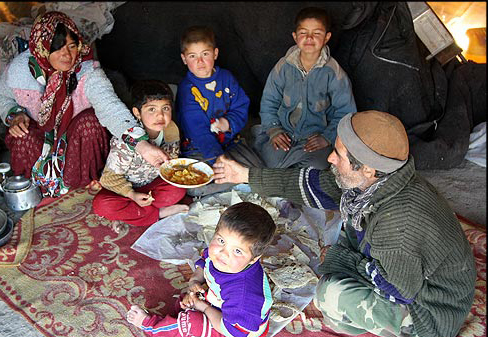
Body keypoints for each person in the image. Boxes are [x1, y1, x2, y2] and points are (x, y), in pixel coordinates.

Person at [212, 110, 476, 337]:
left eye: (338, 154)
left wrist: (340, 259)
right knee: (342, 239)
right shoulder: (376, 184)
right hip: (404, 268)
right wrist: (245, 175)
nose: (329, 158)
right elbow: (313, 186)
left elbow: (399, 290)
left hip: (430, 309)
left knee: (329, 296)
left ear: (368, 169)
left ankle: (405, 329)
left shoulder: (398, 222)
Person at [0, 11, 168, 197]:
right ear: (42, 47)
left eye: (72, 46)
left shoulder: (88, 72)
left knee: (90, 122)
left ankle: (77, 187)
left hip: (77, 142)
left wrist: (142, 145)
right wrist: (14, 114)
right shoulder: (20, 70)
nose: (67, 54)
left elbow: (110, 108)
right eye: (57, 47)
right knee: (20, 135)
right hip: (42, 138)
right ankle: (38, 187)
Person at [126, 201, 276, 337]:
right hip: (219, 305)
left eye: (237, 251)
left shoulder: (245, 296)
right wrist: (194, 281)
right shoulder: (224, 259)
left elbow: (232, 331)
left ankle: (151, 326)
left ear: (253, 259)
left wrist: (203, 307)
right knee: (184, 301)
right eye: (221, 240)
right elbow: (206, 260)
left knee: (191, 321)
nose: (223, 253)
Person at [251, 6, 356, 170]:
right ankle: (282, 158)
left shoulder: (334, 73)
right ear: (295, 36)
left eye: (317, 33)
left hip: (314, 138)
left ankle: (294, 166)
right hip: (284, 132)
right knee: (271, 162)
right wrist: (274, 130)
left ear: (327, 37)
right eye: (303, 33)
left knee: (318, 167)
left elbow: (346, 112)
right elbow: (269, 102)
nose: (309, 38)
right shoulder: (283, 67)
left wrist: (327, 138)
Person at [176, 25, 264, 196]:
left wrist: (228, 122)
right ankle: (235, 180)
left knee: (259, 170)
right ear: (184, 59)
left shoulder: (227, 78)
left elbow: (241, 106)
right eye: (192, 56)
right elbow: (197, 130)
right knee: (194, 187)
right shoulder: (187, 90)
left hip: (230, 143)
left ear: (215, 54)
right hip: (200, 147)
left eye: (205, 54)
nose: (200, 62)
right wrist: (220, 160)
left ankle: (234, 179)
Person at [92, 79, 189, 231]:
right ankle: (159, 213)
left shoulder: (171, 130)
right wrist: (131, 194)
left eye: (165, 108)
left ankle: (131, 214)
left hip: (152, 186)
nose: (160, 116)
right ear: (137, 113)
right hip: (124, 190)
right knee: (101, 205)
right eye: (151, 109)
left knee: (179, 189)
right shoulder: (125, 140)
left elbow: (172, 160)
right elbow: (108, 179)